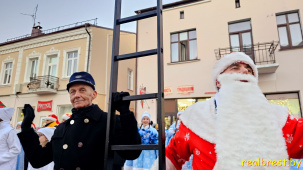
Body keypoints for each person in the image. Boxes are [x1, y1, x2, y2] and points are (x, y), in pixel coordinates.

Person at [166, 52, 303, 170]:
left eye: (249, 70)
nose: (244, 71)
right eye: (235, 67)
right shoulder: (197, 117)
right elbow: (172, 156)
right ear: (218, 81)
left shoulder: (277, 117)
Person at [18, 71, 141, 169]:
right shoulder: (62, 128)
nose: (76, 95)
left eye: (82, 90)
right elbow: (38, 160)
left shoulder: (108, 121)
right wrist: (26, 127)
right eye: (72, 92)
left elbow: (131, 153)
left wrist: (125, 113)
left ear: (94, 94)